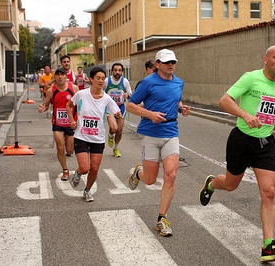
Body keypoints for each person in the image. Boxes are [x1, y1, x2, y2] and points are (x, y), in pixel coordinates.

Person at [198, 45, 275, 263]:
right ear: (265, 59)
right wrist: (245, 115)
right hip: (241, 141)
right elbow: (224, 100)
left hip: (266, 143)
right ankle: (211, 184)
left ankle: (268, 246)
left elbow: (269, 109)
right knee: (230, 185)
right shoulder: (251, 78)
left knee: (269, 192)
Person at [127, 49, 190, 237]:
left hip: (171, 132)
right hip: (151, 134)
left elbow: (176, 101)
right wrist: (150, 114)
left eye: (173, 62)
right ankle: (138, 173)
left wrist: (182, 108)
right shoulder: (148, 83)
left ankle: (162, 219)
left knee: (170, 175)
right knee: (150, 179)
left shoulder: (179, 83)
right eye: (166, 62)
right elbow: (130, 105)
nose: (170, 65)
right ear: (157, 64)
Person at [66, 67, 121, 202]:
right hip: (81, 136)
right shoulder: (81, 94)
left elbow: (116, 112)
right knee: (85, 168)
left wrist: (117, 115)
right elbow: (68, 105)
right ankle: (78, 173)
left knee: (95, 168)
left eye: (103, 78)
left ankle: (87, 190)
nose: (101, 81)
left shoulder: (107, 99)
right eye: (98, 78)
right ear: (91, 79)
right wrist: (72, 120)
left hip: (98, 138)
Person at [37, 68, 79, 181]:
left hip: (71, 124)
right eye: (58, 75)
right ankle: (65, 170)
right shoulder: (51, 91)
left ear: (66, 77)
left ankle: (67, 143)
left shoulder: (74, 89)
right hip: (58, 123)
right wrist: (43, 108)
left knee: (69, 150)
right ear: (54, 77)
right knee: (60, 147)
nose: (60, 77)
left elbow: (80, 104)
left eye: (62, 75)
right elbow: (46, 105)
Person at [104, 63, 132, 158]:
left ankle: (116, 148)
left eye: (119, 70)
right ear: (112, 71)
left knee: (119, 131)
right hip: (110, 108)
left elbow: (130, 95)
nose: (117, 72)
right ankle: (110, 135)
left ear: (122, 72)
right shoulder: (107, 81)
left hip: (120, 107)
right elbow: (101, 92)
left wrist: (127, 96)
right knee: (114, 128)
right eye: (115, 70)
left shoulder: (125, 82)